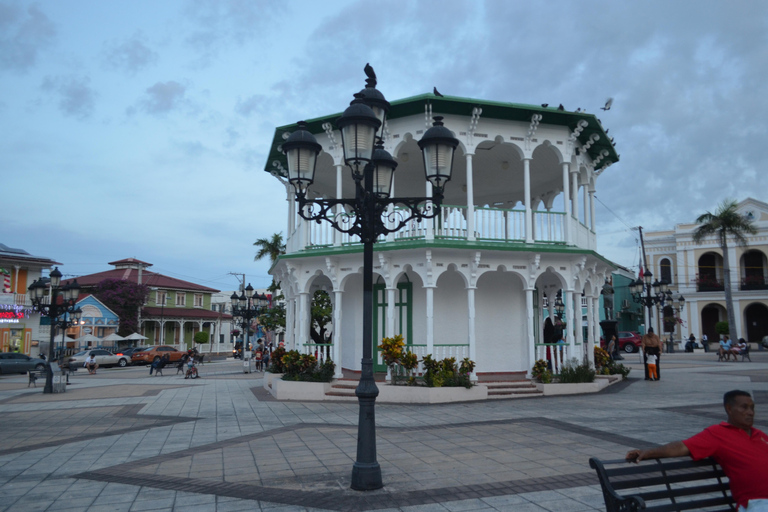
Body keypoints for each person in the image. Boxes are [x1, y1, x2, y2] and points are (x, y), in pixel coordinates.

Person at [625, 390, 768, 511]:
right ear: (729, 409)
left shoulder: (760, 435)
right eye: (744, 407)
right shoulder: (718, 434)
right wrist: (649, 452)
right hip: (757, 502)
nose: (750, 412)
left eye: (752, 408)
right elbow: (682, 447)